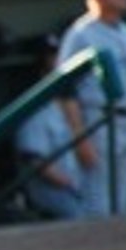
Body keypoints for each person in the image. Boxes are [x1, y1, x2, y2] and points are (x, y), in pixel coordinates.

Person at [57, 0, 126, 216]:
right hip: (99, 123)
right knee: (98, 205)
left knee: (121, 202)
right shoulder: (80, 34)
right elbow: (65, 90)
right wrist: (80, 138)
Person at [16, 36, 84, 219]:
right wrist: (67, 183)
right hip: (55, 192)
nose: (59, 61)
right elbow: (33, 159)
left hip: (77, 188)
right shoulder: (35, 110)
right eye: (53, 57)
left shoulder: (72, 106)